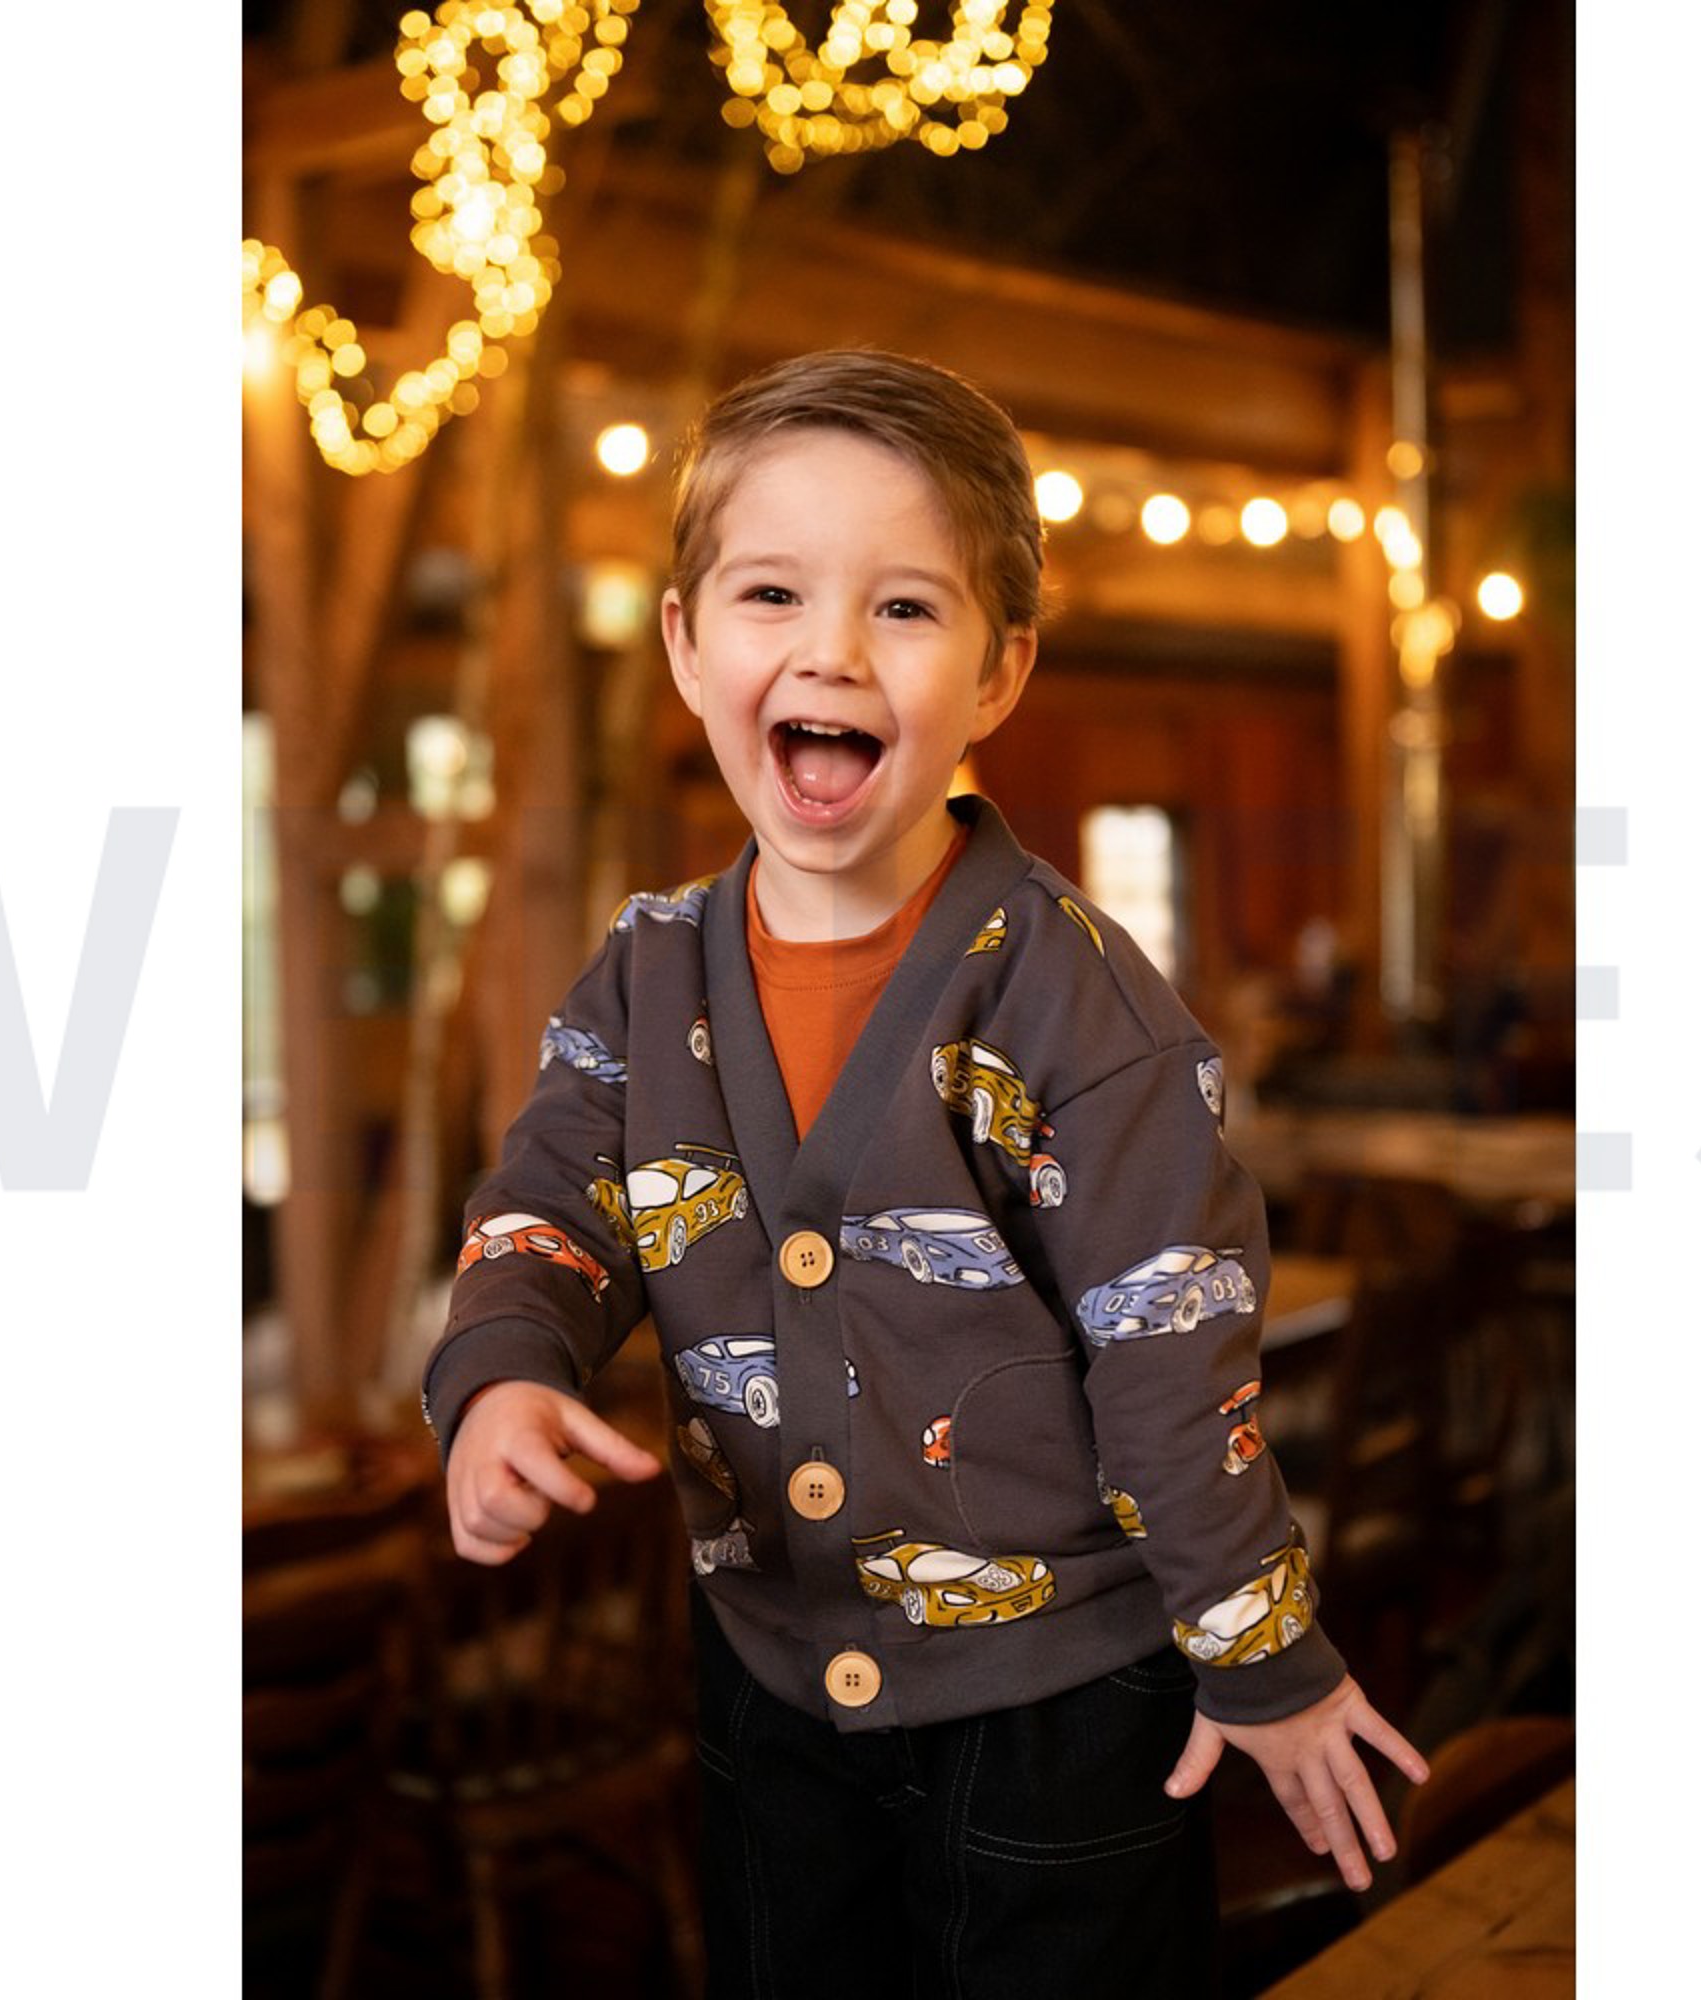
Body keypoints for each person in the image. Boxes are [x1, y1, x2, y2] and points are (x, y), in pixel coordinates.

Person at [426, 348, 1427, 1996]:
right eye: (771, 593)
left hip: (1063, 1710)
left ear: (999, 671)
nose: (829, 648)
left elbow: (1172, 1353)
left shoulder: (1076, 1004)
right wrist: (504, 1375)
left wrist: (1264, 1660)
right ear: (686, 644)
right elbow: (549, 1204)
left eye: (903, 606)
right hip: (768, 1679)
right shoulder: (642, 978)